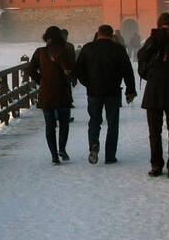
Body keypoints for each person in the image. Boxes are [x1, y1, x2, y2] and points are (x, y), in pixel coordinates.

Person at [137, 13, 169, 178]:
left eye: (167, 27)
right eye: (162, 27)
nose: (164, 30)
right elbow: (141, 56)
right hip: (154, 90)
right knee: (154, 131)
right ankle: (156, 164)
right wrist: (154, 41)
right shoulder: (154, 39)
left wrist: (167, 43)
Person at [75, 24, 136, 165]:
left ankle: (93, 146)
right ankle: (110, 155)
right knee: (113, 124)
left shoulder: (88, 48)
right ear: (111, 34)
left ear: (98, 33)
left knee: (94, 121)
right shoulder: (118, 49)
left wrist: (87, 83)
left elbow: (79, 70)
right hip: (113, 92)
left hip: (94, 92)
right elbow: (128, 71)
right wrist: (130, 91)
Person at [28, 25, 76, 164]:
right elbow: (72, 69)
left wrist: (41, 81)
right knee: (64, 124)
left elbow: (31, 70)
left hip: (47, 93)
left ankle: (54, 156)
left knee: (50, 126)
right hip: (63, 92)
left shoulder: (40, 52)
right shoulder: (66, 51)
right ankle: (62, 148)